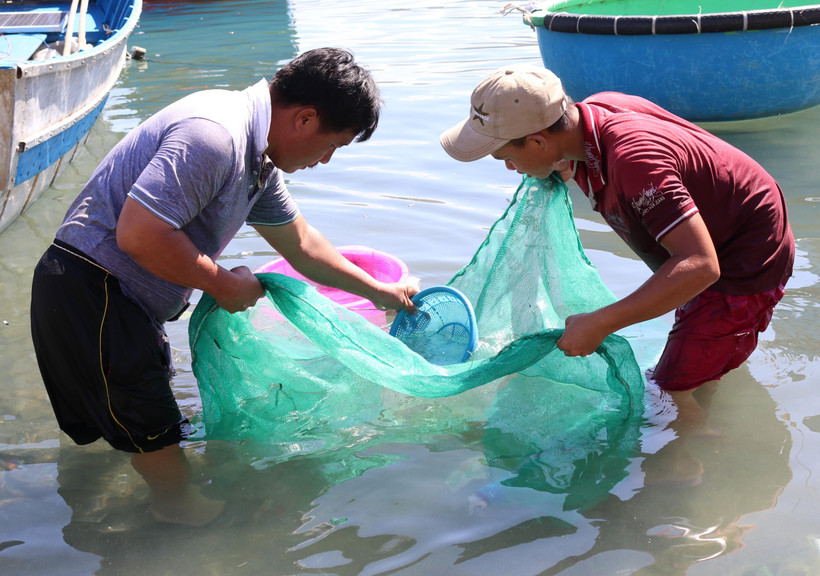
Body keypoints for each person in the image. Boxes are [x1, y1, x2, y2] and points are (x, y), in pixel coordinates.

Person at [30, 47, 418, 526]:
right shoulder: (215, 136)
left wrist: (383, 294)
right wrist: (223, 286)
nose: (326, 160)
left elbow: (302, 245)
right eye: (331, 145)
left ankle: (121, 506)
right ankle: (187, 525)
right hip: (92, 290)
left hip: (118, 299)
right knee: (155, 440)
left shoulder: (258, 161)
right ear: (305, 118)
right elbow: (139, 234)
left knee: (136, 422)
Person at [440, 63, 794, 400]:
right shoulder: (592, 115)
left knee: (668, 394)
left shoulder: (634, 162)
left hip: (747, 252)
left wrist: (601, 323)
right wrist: (563, 164)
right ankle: (706, 374)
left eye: (506, 157)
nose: (510, 168)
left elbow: (701, 266)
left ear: (537, 142)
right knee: (690, 366)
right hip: (712, 230)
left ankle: (694, 446)